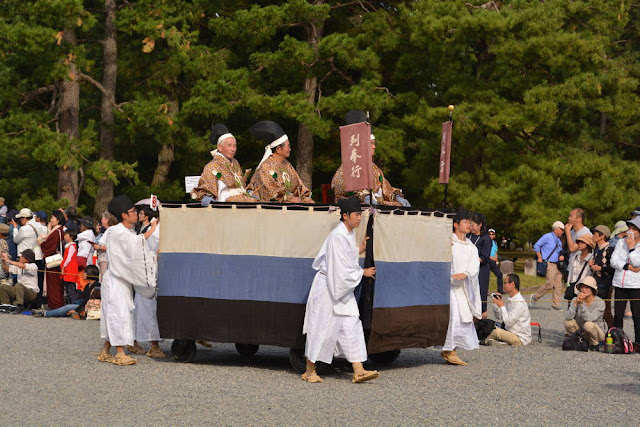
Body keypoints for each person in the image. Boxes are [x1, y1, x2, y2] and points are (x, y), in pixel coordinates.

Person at [301, 196, 378, 383]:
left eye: (360, 215)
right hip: (329, 288)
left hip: (340, 288)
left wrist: (360, 248)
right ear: (345, 216)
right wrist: (363, 273)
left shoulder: (347, 234)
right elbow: (340, 268)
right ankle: (309, 371)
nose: (359, 218)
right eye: (356, 215)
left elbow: (346, 257)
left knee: (352, 325)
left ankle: (358, 369)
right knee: (322, 328)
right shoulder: (337, 236)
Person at [98, 195, 158, 366]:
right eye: (133, 211)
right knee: (119, 314)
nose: (136, 214)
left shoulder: (127, 231)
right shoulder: (117, 231)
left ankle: (105, 350)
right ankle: (119, 352)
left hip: (121, 279)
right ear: (124, 215)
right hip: (115, 279)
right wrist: (152, 229)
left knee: (119, 313)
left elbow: (135, 246)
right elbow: (135, 245)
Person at [331, 110, 409, 207]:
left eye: (374, 143)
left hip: (378, 205)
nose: (374, 147)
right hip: (357, 208)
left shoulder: (375, 169)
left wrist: (396, 196)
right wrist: (363, 196)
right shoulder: (347, 168)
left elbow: (386, 188)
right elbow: (339, 187)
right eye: (371, 143)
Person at [439, 208, 481, 366]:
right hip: (449, 286)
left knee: (463, 318)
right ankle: (448, 350)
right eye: (465, 222)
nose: (469, 225)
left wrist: (466, 273)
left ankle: (452, 349)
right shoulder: (449, 241)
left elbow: (474, 263)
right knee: (453, 317)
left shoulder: (470, 246)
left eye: (469, 222)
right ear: (456, 224)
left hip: (462, 286)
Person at [127, 206, 166, 359]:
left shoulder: (154, 226)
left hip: (150, 268)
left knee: (142, 306)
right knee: (148, 307)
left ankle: (134, 340)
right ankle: (153, 344)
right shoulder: (155, 227)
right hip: (149, 269)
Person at [246, 121, 314, 203]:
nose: (290, 149)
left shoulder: (287, 165)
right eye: (288, 146)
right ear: (278, 149)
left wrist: (305, 198)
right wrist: (288, 199)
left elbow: (298, 186)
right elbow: (271, 191)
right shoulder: (266, 167)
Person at [191, 123, 256, 205]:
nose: (233, 149)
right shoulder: (212, 166)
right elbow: (205, 190)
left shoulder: (235, 163)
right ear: (219, 147)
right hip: (224, 204)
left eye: (234, 146)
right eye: (229, 146)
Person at [610, 217, 640, 345]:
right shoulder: (620, 242)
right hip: (619, 283)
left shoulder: (633, 244)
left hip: (636, 285)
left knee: (637, 316)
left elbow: (637, 262)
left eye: (634, 228)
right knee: (618, 315)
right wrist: (627, 267)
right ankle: (619, 341)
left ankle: (638, 342)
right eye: (629, 228)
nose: (630, 231)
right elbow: (613, 261)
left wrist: (632, 248)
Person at [36, 265, 101, 319]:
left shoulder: (96, 286)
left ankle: (45, 314)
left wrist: (76, 310)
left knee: (68, 307)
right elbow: (83, 298)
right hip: (83, 304)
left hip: (89, 306)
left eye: (85, 272)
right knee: (71, 305)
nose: (83, 274)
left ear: (90, 273)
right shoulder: (87, 285)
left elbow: (87, 300)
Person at [487, 273, 531, 346]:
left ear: (512, 284)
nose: (504, 285)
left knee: (494, 331)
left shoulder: (519, 303)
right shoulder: (511, 299)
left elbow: (508, 322)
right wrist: (496, 304)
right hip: (509, 331)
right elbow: (500, 317)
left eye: (505, 283)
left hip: (519, 337)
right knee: (488, 323)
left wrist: (502, 306)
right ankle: (500, 341)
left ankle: (491, 341)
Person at [564, 276, 606, 351]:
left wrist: (581, 304)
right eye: (582, 287)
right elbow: (568, 317)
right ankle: (579, 339)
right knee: (567, 322)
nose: (583, 289)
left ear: (592, 290)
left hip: (597, 332)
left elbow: (589, 318)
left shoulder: (600, 302)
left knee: (588, 324)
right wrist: (575, 304)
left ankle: (595, 344)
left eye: (587, 287)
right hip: (582, 330)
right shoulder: (575, 299)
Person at [530, 221, 565, 310]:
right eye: (561, 230)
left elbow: (559, 251)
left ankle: (555, 304)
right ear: (556, 229)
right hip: (549, 263)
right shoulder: (547, 236)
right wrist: (539, 257)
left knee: (558, 285)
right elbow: (537, 245)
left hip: (558, 265)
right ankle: (535, 296)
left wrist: (561, 256)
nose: (562, 232)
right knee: (549, 284)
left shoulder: (559, 241)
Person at [589, 225, 614, 329]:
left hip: (607, 284)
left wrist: (600, 268)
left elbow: (614, 267)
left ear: (602, 236)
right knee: (595, 310)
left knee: (606, 311)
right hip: (596, 283)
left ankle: (614, 334)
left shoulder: (610, 249)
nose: (593, 236)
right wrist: (592, 265)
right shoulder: (596, 250)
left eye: (595, 234)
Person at [40, 210, 66, 310]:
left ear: (58, 220)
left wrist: (41, 244)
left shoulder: (57, 232)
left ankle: (56, 304)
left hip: (54, 260)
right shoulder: (58, 230)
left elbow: (49, 245)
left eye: (53, 218)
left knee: (54, 284)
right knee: (54, 284)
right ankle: (54, 303)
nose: (51, 220)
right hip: (54, 258)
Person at [467, 212, 491, 316]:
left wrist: (473, 259)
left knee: (481, 293)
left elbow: (484, 257)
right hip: (468, 268)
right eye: (470, 224)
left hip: (481, 270)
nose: (471, 227)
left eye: (473, 224)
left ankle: (481, 315)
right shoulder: (467, 236)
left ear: (480, 224)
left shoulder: (485, 238)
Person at [0, 249, 39, 313]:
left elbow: (23, 266)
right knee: (2, 287)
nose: (20, 257)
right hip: (19, 291)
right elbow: (7, 269)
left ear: (26, 258)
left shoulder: (33, 266)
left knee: (18, 285)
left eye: (22, 256)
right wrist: (3, 261)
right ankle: (6, 306)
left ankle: (20, 305)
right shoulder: (18, 267)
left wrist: (9, 261)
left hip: (31, 293)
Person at [565, 208, 592, 284]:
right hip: (572, 266)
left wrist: (567, 232)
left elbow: (572, 248)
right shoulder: (572, 232)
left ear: (579, 219)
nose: (569, 218)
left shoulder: (585, 233)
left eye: (571, 216)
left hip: (581, 268)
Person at [566, 234, 594, 300]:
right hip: (573, 288)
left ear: (588, 244)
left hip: (585, 289)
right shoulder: (575, 257)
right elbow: (570, 273)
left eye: (582, 242)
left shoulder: (592, 258)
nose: (579, 244)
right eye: (578, 242)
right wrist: (568, 285)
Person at [93, 211, 117, 279]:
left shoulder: (111, 231)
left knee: (105, 279)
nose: (101, 220)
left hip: (106, 259)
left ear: (107, 220)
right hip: (103, 259)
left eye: (102, 218)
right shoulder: (108, 231)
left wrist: (99, 247)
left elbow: (111, 246)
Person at [61, 228, 80, 304]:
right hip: (68, 270)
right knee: (68, 290)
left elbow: (68, 259)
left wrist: (63, 267)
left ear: (71, 236)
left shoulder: (72, 246)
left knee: (71, 290)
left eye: (66, 235)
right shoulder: (69, 246)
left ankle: (73, 306)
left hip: (70, 270)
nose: (65, 237)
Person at [487, 228, 504, 294]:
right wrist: (490, 258)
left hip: (493, 262)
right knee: (486, 276)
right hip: (488, 261)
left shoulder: (494, 242)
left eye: (492, 234)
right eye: (489, 234)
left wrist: (496, 260)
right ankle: (485, 291)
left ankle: (500, 290)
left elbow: (495, 252)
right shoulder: (486, 242)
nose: (491, 235)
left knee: (499, 274)